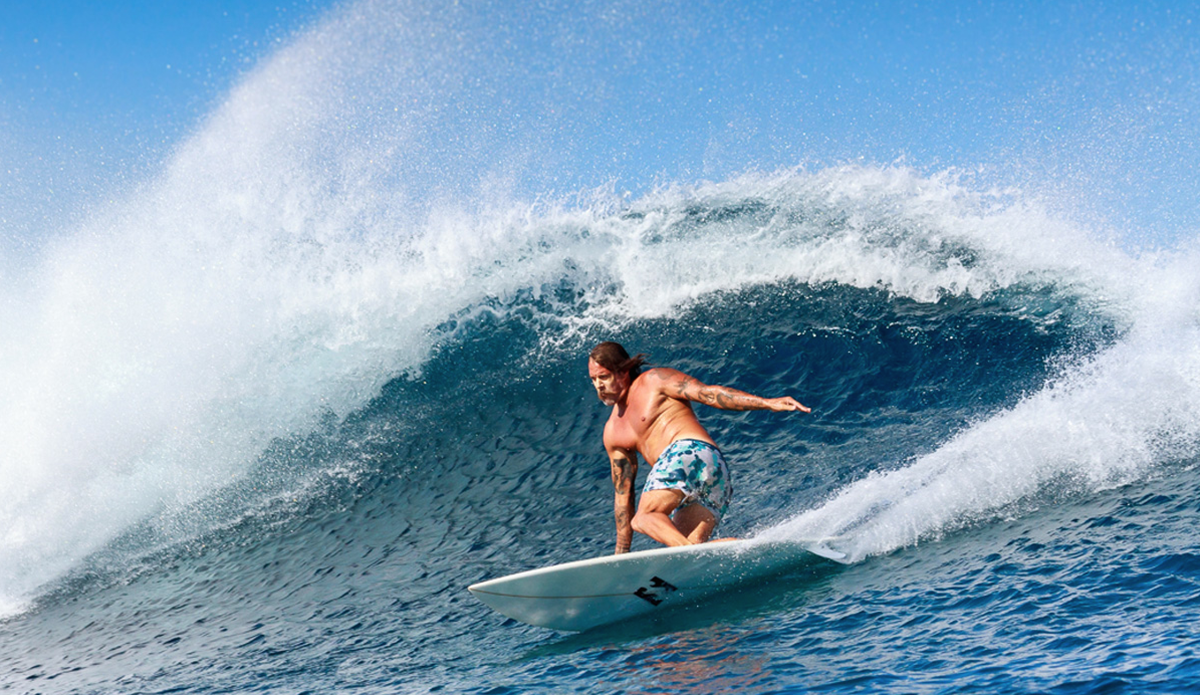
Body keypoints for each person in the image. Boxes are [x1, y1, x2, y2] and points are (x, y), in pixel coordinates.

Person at [588, 341, 810, 554]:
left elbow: (709, 394)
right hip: (713, 471)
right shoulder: (613, 432)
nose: (598, 385)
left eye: (604, 377)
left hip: (688, 451)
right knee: (695, 551)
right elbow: (623, 496)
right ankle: (764, 549)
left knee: (645, 517)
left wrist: (766, 403)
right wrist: (621, 556)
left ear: (623, 371)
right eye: (593, 379)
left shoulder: (654, 381)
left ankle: (691, 551)